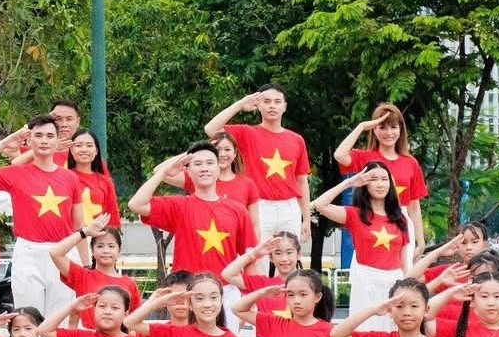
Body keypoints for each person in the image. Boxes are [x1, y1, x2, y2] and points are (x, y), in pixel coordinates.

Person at [309, 164, 417, 337]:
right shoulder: (356, 215)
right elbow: (318, 204)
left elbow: (406, 264)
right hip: (366, 288)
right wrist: (349, 182)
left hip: (394, 288)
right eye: (373, 178)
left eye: (385, 178)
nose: (380, 183)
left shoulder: (401, 219)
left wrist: (410, 295)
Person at [0, 119, 82, 317]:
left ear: (57, 141)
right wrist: (2, 144)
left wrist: (86, 264)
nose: (44, 141)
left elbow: (80, 224)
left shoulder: (70, 178)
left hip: (64, 251)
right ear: (29, 140)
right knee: (28, 317)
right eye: (38, 135)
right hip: (28, 252)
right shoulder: (16, 173)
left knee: (59, 319)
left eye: (49, 136)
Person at [129, 143, 257, 277]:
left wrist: (252, 294)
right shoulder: (179, 206)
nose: (204, 168)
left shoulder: (238, 211)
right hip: (186, 288)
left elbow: (250, 258)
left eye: (210, 163)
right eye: (197, 164)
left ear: (218, 168)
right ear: (188, 171)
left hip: (225, 290)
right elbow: (136, 204)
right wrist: (164, 172)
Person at [205, 89, 313, 247]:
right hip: (258, 207)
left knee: (289, 261)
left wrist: (307, 218)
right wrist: (240, 104)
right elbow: (210, 129)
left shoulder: (296, 140)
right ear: (258, 106)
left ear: (284, 106)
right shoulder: (246, 133)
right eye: (267, 101)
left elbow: (302, 181)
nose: (272, 106)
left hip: (289, 208)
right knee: (256, 258)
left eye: (277, 102)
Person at [334, 103, 429, 251]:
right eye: (382, 127)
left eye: (393, 127)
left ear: (401, 130)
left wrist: (421, 242)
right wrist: (361, 127)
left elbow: (414, 207)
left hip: (400, 223)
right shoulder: (364, 157)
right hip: (370, 220)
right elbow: (339, 155)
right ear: (374, 129)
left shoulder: (411, 162)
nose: (389, 133)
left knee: (402, 273)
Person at [46, 220, 142, 331]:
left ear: (119, 250)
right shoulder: (82, 276)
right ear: (92, 250)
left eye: (111, 246)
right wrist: (85, 232)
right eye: (100, 246)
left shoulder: (130, 283)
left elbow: (136, 320)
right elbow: (55, 253)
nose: (106, 251)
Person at [64, 128, 122, 230]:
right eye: (78, 145)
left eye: (89, 145)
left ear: (96, 151)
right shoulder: (63, 178)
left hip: (97, 239)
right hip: (69, 239)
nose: (84, 149)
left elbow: (112, 218)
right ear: (71, 150)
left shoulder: (106, 182)